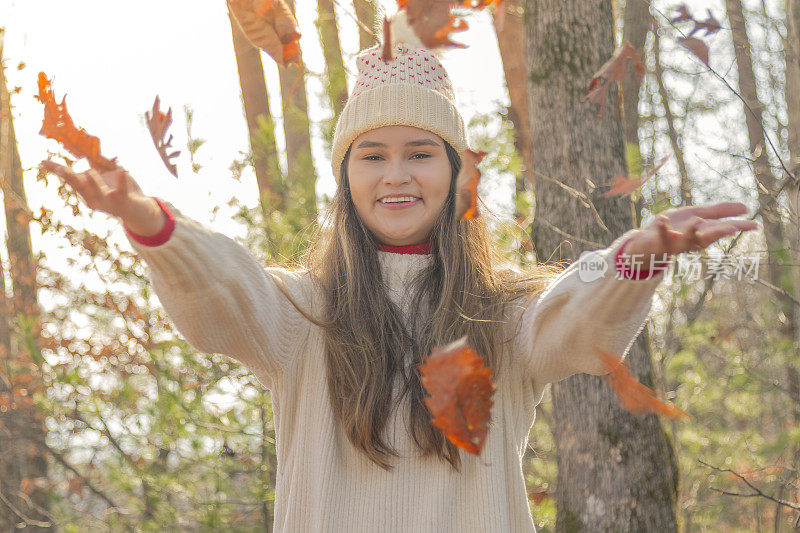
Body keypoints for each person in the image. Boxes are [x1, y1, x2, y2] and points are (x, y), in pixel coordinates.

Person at [40, 35, 758, 533]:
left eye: (420, 152)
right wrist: (152, 222)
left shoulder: (502, 316)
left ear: (453, 173)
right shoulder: (303, 314)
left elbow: (574, 316)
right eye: (372, 155)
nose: (396, 174)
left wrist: (637, 255)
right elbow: (226, 292)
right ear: (346, 176)